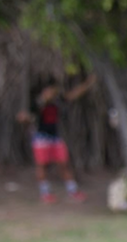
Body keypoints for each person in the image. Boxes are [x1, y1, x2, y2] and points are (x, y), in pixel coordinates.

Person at [16, 74, 97, 204]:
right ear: (44, 91)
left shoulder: (57, 101)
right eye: (50, 91)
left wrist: (88, 83)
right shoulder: (37, 103)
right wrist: (24, 118)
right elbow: (28, 116)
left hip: (55, 137)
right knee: (42, 165)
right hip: (41, 138)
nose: (51, 93)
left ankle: (73, 191)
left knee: (64, 164)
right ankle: (45, 193)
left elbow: (73, 95)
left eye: (53, 91)